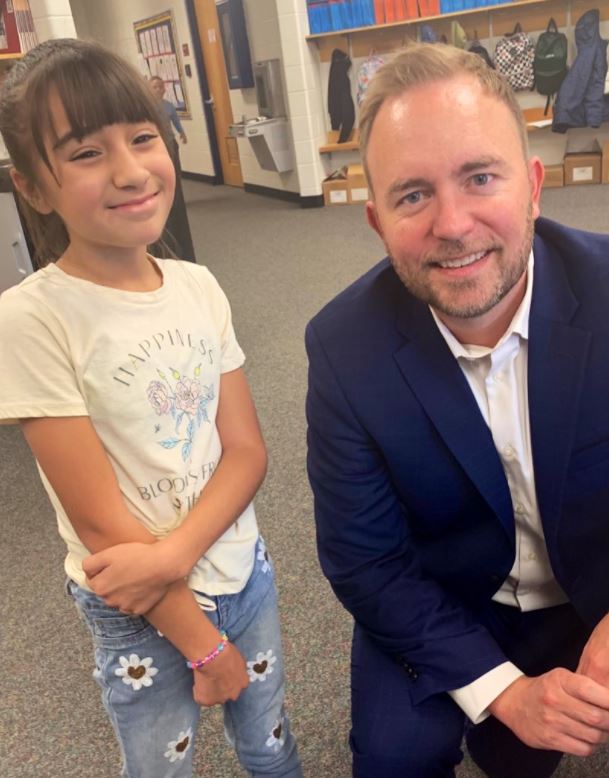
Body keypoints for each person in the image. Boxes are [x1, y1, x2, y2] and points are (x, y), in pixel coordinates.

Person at [306, 42, 609, 778]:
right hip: (450, 599)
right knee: (392, 759)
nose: (451, 223)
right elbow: (366, 561)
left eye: (480, 177)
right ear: (376, 221)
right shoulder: (345, 347)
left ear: (533, 186)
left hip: (597, 586)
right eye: (412, 195)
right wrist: (503, 694)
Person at [0, 39, 302, 778]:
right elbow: (103, 525)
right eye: (85, 152)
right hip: (136, 607)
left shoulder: (198, 286)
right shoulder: (32, 319)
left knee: (269, 742)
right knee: (161, 762)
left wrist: (174, 552)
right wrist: (202, 644)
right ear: (33, 187)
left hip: (239, 568)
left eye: (142, 138)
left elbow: (247, 451)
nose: (131, 170)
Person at [148, 74, 196, 264]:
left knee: (175, 173)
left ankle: (176, 197)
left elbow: (175, 121)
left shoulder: (168, 106)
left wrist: (182, 133)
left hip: (170, 142)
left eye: (160, 87)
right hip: (157, 146)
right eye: (154, 87)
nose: (158, 90)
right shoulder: (147, 107)